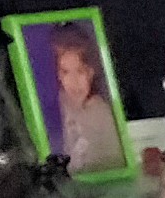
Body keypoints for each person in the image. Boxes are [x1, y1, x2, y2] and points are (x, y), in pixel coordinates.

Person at [47, 31, 124, 173]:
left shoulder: (101, 111)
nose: (74, 81)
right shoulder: (56, 109)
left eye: (80, 71)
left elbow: (116, 161)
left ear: (91, 72)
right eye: (65, 72)